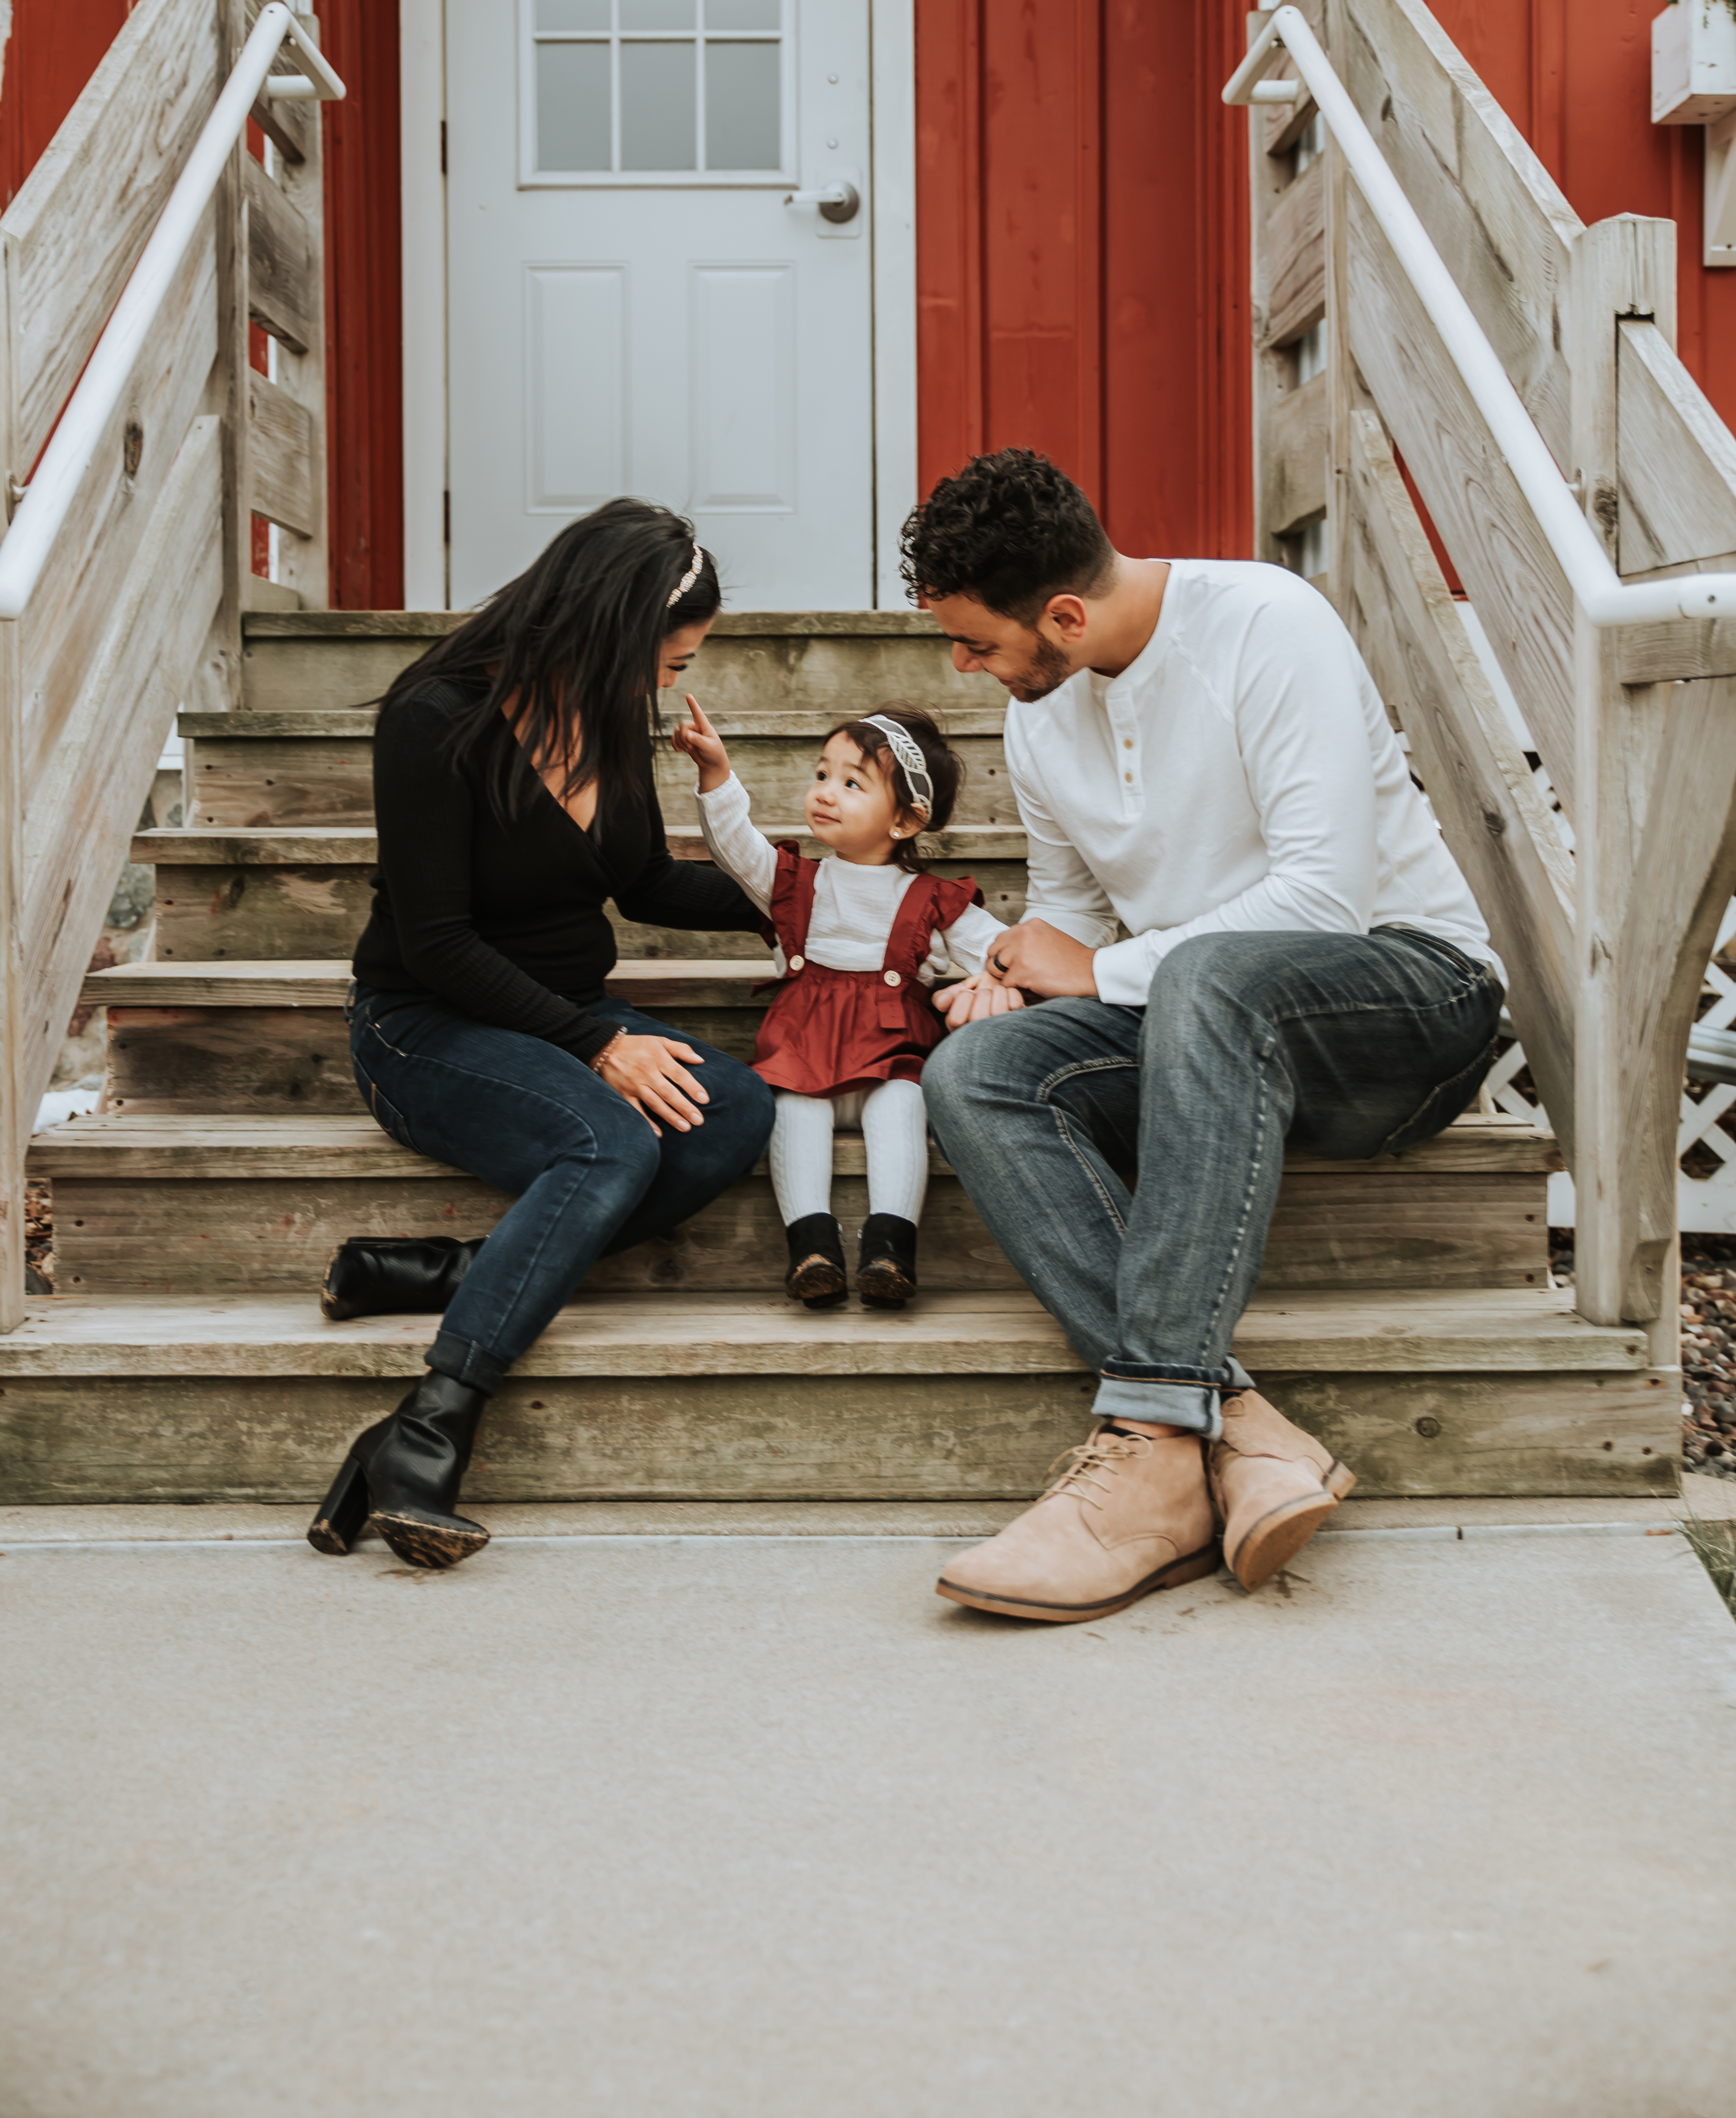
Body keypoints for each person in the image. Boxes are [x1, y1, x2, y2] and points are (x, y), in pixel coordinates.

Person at [909, 449, 1504, 1624]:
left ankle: (1141, 1452)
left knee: (1211, 977)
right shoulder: (1041, 718)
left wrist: (1104, 965)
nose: (963, 667)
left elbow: (1324, 898)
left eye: (976, 641)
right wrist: (1020, 967)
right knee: (975, 1071)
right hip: (1211, 1037)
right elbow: (1073, 908)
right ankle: (1227, 1428)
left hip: (1407, 1001)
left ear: (1065, 615)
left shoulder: (1269, 625)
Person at [307, 501, 777, 1570]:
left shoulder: (608, 719)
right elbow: (435, 942)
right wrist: (598, 1046)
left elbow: (643, 882)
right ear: (612, 633)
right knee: (609, 1141)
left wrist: (800, 905)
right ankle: (429, 1427)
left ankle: (462, 1272)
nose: (668, 686)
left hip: (561, 1021)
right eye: (670, 661)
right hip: (426, 1023)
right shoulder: (436, 717)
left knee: (734, 1111)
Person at [672, 696, 998, 1307]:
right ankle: (813, 1248)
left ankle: (889, 1250)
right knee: (794, 1112)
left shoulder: (932, 900)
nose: (826, 791)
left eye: (853, 783)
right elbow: (735, 848)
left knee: (903, 1108)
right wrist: (716, 775)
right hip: (805, 1057)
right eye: (823, 774)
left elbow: (1003, 954)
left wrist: (994, 982)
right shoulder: (795, 882)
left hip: (891, 1061)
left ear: (904, 822)